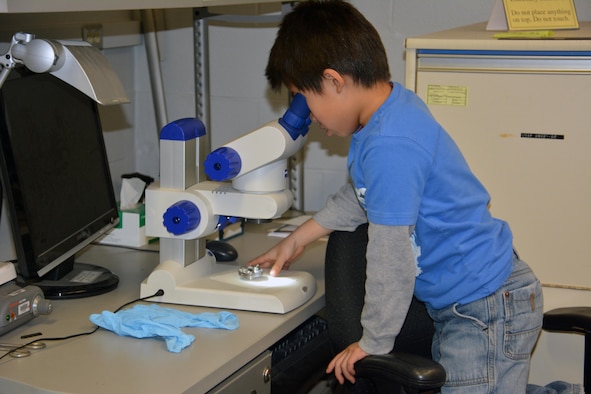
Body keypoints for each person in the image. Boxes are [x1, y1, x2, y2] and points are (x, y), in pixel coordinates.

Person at [247, 1, 543, 392]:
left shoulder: (390, 144)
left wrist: (372, 342)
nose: (310, 117)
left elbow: (391, 258)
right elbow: (362, 197)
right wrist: (297, 239)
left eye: (306, 99)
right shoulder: (387, 114)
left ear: (335, 81)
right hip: (472, 299)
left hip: (484, 306)